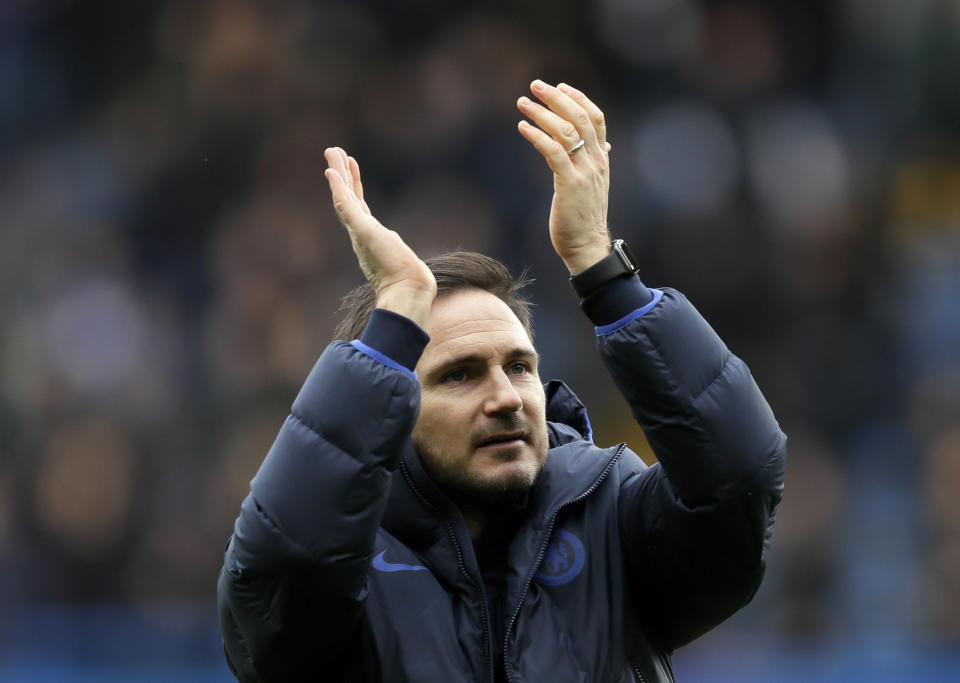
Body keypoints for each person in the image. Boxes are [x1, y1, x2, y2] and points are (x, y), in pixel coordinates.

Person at [217, 79, 787, 683]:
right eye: (458, 376)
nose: (506, 398)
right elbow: (282, 568)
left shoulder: (611, 514)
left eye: (519, 366)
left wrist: (602, 267)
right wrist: (396, 315)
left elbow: (740, 481)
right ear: (391, 409)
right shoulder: (346, 560)